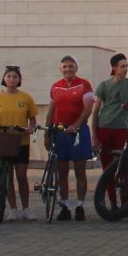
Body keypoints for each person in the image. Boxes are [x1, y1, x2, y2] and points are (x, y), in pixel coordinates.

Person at [0, 66, 39, 219]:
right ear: (4, 79)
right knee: (6, 176)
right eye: (8, 76)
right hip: (3, 141)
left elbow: (33, 118)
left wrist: (30, 128)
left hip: (21, 141)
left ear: (19, 80)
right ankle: (13, 209)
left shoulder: (26, 97)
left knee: (21, 175)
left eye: (15, 76)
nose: (12, 79)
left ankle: (26, 208)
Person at [47, 55, 96, 220]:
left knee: (80, 171)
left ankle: (80, 206)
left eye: (71, 66)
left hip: (78, 133)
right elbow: (51, 110)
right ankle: (65, 205)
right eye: (65, 67)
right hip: (59, 133)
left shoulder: (84, 85)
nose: (68, 69)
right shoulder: (55, 87)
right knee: (61, 172)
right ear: (61, 69)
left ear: (76, 68)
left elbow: (88, 109)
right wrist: (48, 132)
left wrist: (75, 125)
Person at [93, 54, 128, 173]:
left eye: (127, 66)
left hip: (122, 128)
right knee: (107, 165)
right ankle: (110, 192)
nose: (125, 69)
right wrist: (94, 136)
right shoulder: (104, 85)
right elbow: (95, 111)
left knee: (123, 164)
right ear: (114, 68)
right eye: (122, 66)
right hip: (104, 127)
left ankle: (124, 191)